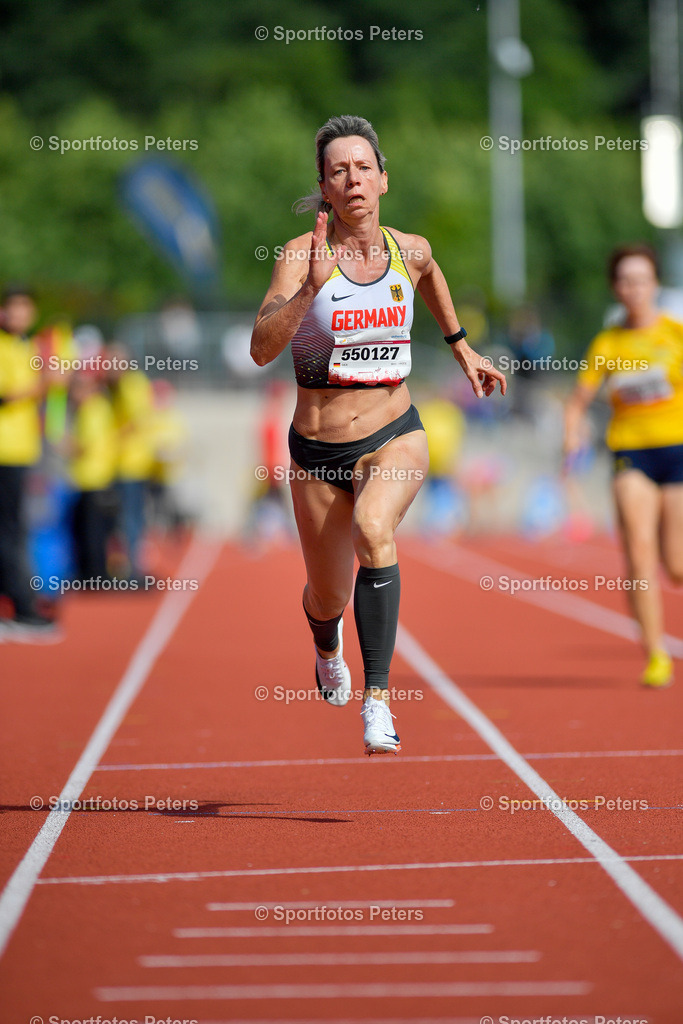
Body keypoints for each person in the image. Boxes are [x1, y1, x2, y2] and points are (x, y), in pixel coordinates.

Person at [251, 115, 506, 753]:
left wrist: (462, 348)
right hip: (317, 451)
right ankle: (324, 640)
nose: (353, 179)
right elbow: (260, 349)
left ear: (383, 180)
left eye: (363, 167)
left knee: (374, 530)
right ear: (324, 188)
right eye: (339, 170)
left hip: (394, 430)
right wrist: (306, 294)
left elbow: (430, 276)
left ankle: (378, 701)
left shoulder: (408, 248)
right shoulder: (300, 256)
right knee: (326, 593)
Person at [564, 244, 683, 688]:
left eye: (642, 279)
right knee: (638, 553)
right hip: (631, 453)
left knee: (676, 563)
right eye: (625, 280)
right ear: (616, 288)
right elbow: (578, 402)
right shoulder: (608, 343)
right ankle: (656, 654)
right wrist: (572, 433)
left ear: (655, 284)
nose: (634, 288)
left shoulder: (675, 333)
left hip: (678, 450)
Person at [0, 285, 58, 639]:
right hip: (4, 450)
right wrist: (41, 386)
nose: (20, 314)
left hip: (22, 449)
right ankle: (20, 606)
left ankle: (21, 601)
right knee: (10, 531)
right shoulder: (5, 346)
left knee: (15, 528)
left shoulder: (27, 346)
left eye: (26, 308)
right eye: (14, 308)